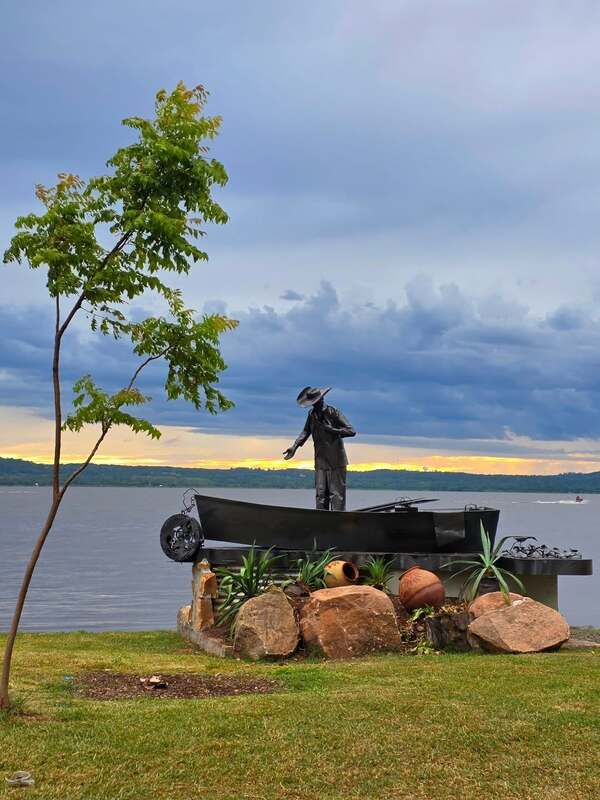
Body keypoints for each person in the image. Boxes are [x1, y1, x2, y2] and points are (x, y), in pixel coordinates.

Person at [283, 386, 356, 511]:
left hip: (336, 461)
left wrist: (333, 431)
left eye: (315, 403)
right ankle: (321, 522)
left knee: (336, 496)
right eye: (311, 404)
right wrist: (294, 446)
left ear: (321, 399)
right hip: (320, 460)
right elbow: (306, 431)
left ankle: (338, 524)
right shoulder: (311, 414)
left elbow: (351, 431)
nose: (313, 406)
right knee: (321, 495)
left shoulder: (333, 412)